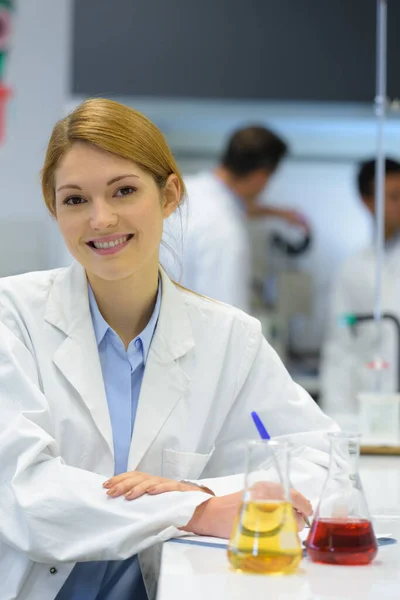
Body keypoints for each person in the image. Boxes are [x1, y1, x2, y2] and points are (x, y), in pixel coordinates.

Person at [0, 99, 337, 600]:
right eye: (75, 200)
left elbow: (325, 463)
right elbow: (22, 494)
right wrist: (194, 511)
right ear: (54, 209)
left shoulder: (229, 338)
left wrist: (201, 491)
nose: (101, 219)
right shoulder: (13, 317)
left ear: (169, 194)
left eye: (125, 191)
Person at [162, 125, 309, 313]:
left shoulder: (181, 193)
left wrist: (277, 213)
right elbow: (227, 320)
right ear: (260, 176)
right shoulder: (225, 231)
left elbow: (236, 205)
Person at [320, 157, 400, 416]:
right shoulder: (352, 269)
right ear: (368, 201)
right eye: (394, 196)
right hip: (374, 409)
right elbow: (340, 348)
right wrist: (338, 417)